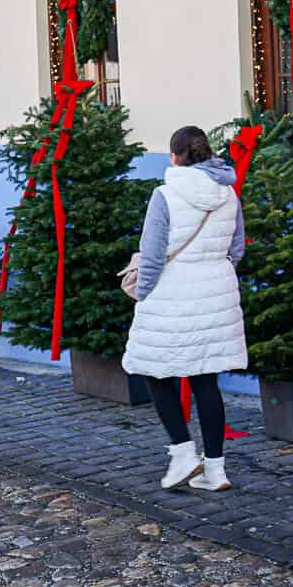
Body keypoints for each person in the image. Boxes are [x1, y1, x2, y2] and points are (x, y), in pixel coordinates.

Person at [121, 125, 248, 492]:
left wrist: (142, 294)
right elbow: (236, 248)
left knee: (155, 373)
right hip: (215, 293)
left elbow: (153, 252)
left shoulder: (165, 194)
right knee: (206, 381)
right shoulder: (228, 194)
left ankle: (181, 453)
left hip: (170, 294)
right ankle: (215, 471)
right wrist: (212, 274)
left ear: (175, 157)